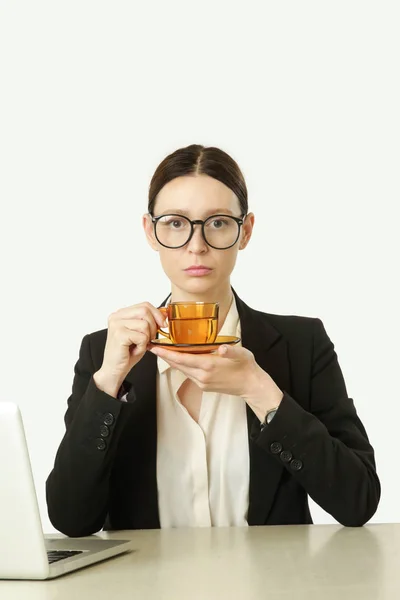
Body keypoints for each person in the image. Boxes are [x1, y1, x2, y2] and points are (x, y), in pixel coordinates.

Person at [46, 144, 380, 536]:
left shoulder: (302, 344)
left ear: (246, 231)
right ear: (150, 232)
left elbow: (358, 501)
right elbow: (70, 519)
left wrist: (261, 391)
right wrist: (107, 384)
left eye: (218, 222)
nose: (196, 244)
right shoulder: (104, 351)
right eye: (175, 223)